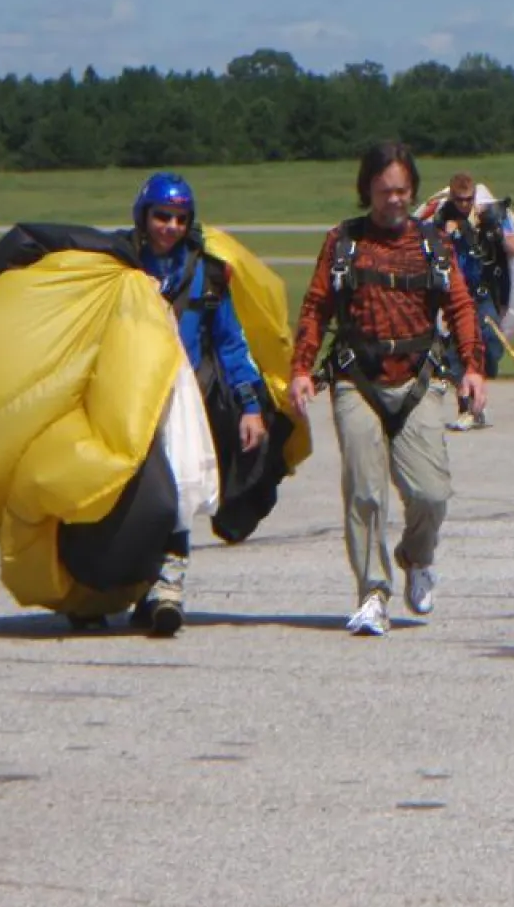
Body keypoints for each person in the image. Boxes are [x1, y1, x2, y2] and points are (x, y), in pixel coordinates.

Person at [288, 142, 487, 638]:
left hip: (418, 382)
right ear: (367, 190)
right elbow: (316, 307)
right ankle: (373, 593)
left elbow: (461, 307)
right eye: (383, 192)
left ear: (413, 189)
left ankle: (417, 557)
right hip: (357, 381)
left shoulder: (433, 245)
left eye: (401, 191)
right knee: (365, 492)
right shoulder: (343, 243)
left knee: (431, 492)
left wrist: (474, 368)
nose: (394, 200)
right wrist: (301, 368)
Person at [126, 172, 268, 636]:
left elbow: (230, 343)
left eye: (179, 218)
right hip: (125, 398)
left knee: (181, 490)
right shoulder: (117, 265)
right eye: (161, 216)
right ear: (143, 217)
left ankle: (169, 587)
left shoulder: (206, 275)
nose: (169, 225)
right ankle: (118, 585)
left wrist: (250, 405)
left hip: (183, 404)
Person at [433, 170, 514, 431]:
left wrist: (493, 231)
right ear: (451, 198)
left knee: (488, 341)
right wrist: (446, 234)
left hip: (483, 293)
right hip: (454, 293)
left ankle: (477, 402)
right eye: (459, 200)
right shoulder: (442, 221)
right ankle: (468, 406)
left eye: (468, 199)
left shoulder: (488, 217)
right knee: (457, 349)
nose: (464, 205)